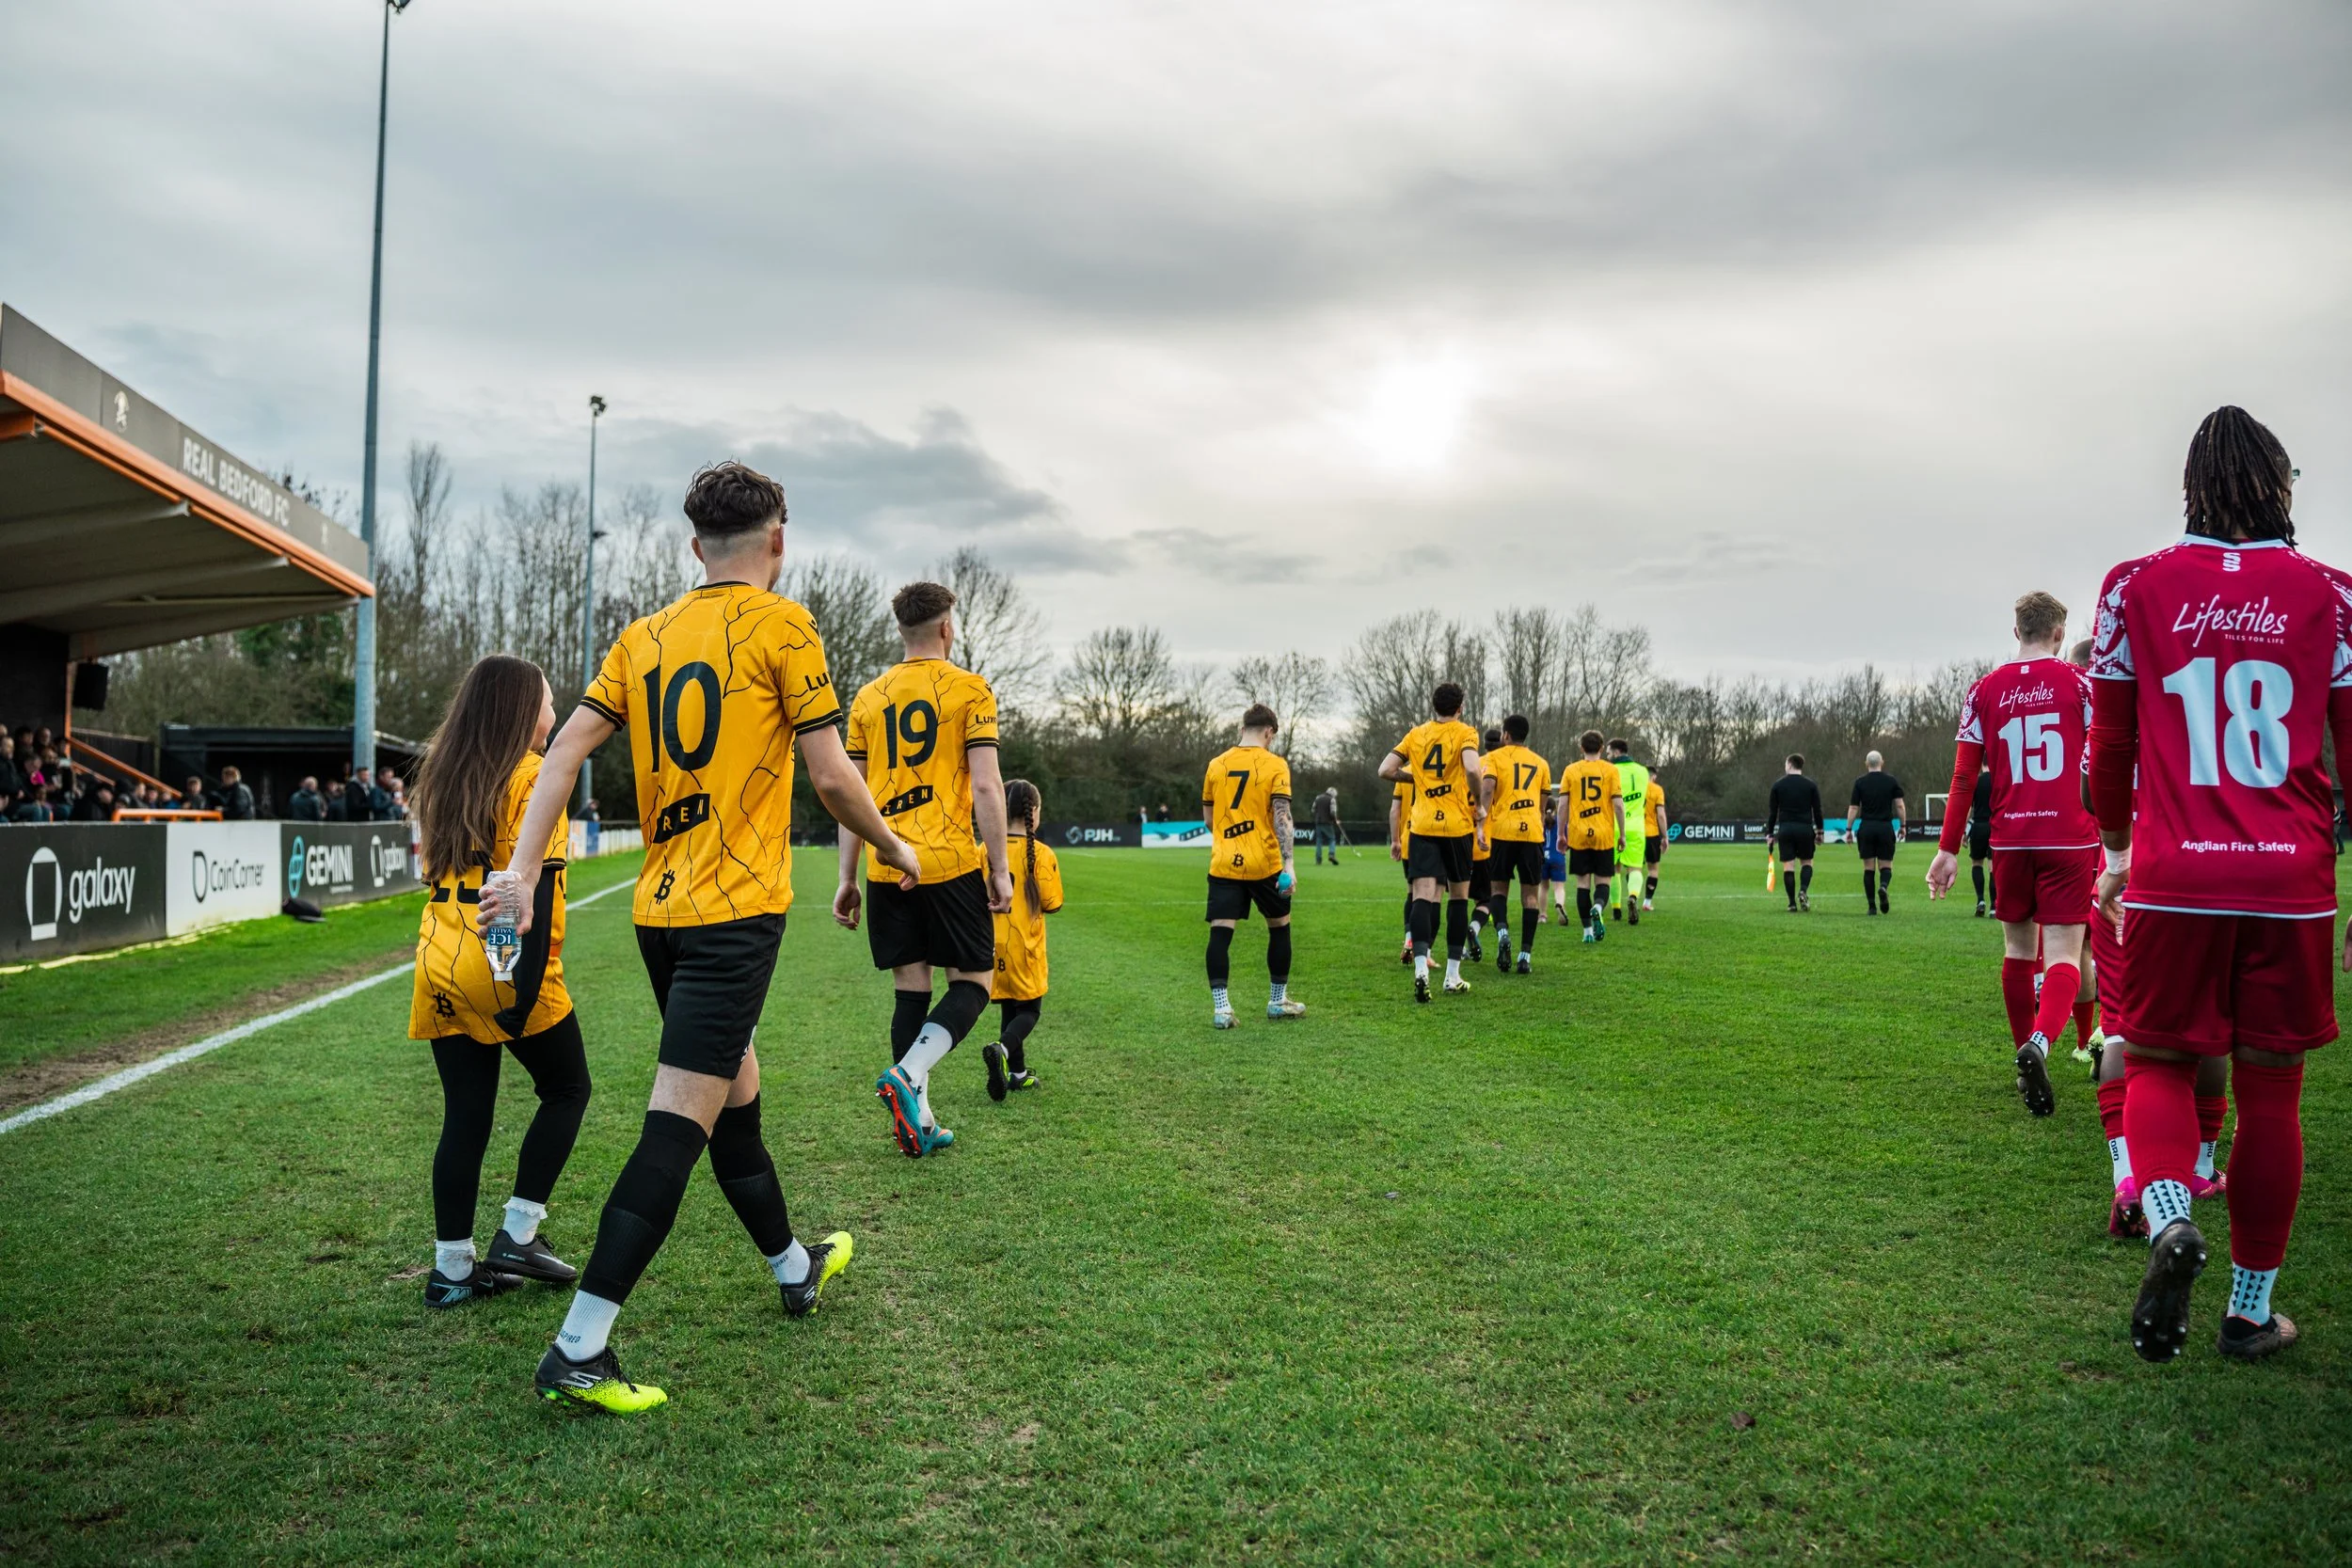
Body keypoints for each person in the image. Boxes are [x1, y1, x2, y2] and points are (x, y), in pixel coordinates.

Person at [485, 459, 921, 1414]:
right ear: (779, 539)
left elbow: (561, 753)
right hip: (732, 916)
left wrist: (518, 869)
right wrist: (895, 846)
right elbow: (832, 776)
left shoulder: (642, 635)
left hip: (661, 914)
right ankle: (579, 1346)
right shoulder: (785, 624)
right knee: (677, 1126)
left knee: (736, 1103)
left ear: (695, 545)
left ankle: (794, 1265)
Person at [2085, 406, 2344, 1365]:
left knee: (2154, 1060)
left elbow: (2109, 747)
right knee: (2272, 1093)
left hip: (2174, 871)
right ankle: (2249, 1311)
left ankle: (2166, 1218)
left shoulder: (2133, 585)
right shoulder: (2334, 594)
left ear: (2191, 486)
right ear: (2278, 484)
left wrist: (2117, 849)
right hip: (2292, 880)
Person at [406, 656, 593, 1309]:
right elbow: (525, 896)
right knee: (568, 1088)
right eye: (547, 701)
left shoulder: (443, 774)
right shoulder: (535, 777)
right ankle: (518, 1233)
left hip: (438, 957)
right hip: (499, 958)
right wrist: (519, 984)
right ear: (520, 711)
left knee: (466, 1115)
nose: (554, 712)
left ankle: (451, 1272)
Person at [842, 579, 1014, 1158]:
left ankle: (919, 1120)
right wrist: (1000, 867)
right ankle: (909, 1074)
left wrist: (846, 877)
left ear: (901, 629)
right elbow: (987, 785)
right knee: (974, 983)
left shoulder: (868, 698)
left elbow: (851, 797)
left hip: (885, 863)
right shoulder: (970, 689)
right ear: (946, 627)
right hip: (947, 861)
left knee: (909, 988)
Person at [1927, 592, 2094, 1121]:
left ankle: (2024, 1060)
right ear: (2060, 633)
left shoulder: (1982, 690)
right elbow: (2110, 760)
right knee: (2064, 955)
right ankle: (2039, 1044)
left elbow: (1963, 777)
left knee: (2019, 951)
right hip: (2069, 836)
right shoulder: (2082, 684)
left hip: (2011, 838)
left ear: (2016, 631)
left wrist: (1947, 849)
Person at [1377, 682, 1486, 1000]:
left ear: (1433, 706)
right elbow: (1472, 768)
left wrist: (1416, 778)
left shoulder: (1416, 734)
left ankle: (1421, 970)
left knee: (1422, 898)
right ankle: (1452, 976)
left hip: (1422, 826)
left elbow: (1385, 770)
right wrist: (1478, 804)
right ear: (1460, 708)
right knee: (1458, 898)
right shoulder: (1466, 733)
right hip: (1456, 826)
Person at [1202, 704, 1305, 1026]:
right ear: (1269, 732)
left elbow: (1209, 820)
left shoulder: (1216, 765)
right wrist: (1289, 864)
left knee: (1220, 933)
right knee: (1280, 927)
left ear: (1242, 728)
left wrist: (1231, 840)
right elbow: (1282, 817)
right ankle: (1277, 1001)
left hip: (1224, 862)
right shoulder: (1275, 764)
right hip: (1264, 861)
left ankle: (1222, 1009)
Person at [987, 779, 1061, 1097]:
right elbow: (1053, 903)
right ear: (1035, 812)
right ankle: (1002, 1049)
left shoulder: (984, 850)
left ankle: (1017, 1074)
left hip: (993, 946)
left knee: (1009, 1007)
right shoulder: (1041, 854)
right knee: (1029, 1010)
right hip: (1026, 946)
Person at [1478, 714, 1551, 974]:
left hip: (1503, 830)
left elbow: (1488, 789)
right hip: (1531, 832)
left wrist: (1481, 822)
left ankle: (1502, 932)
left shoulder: (1495, 758)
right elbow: (1543, 804)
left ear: (1506, 735)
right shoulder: (1541, 763)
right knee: (1530, 896)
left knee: (1498, 889)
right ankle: (1525, 956)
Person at [1555, 730, 1624, 943]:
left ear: (1581, 748)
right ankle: (1598, 907)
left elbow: (1562, 805)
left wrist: (1560, 833)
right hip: (1603, 834)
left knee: (1582, 884)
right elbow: (1618, 805)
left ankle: (1587, 931)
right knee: (1603, 881)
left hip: (1579, 834)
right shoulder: (1611, 770)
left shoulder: (1571, 770)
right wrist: (1622, 834)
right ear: (1602, 748)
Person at [1848, 752, 1905, 914]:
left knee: (1868, 868)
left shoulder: (1860, 782)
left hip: (1866, 827)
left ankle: (1872, 907)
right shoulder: (1891, 781)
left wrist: (1848, 829)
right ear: (1882, 762)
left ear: (1866, 764)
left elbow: (1854, 807)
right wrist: (1903, 825)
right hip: (1885, 827)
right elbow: (1900, 805)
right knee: (1886, 865)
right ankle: (1883, 886)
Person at [1766, 755, 1823, 911]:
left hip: (1786, 829)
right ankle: (1803, 890)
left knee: (1788, 866)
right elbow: (1817, 811)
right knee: (1807, 862)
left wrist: (1770, 833)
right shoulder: (1811, 785)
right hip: (1805, 828)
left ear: (1790, 765)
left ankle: (1791, 903)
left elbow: (1773, 813)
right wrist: (1820, 831)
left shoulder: (1778, 785)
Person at [1465, 727, 1502, 959]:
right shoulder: (1500, 766)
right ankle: (1474, 927)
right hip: (1486, 845)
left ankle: (1460, 949)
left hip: (1460, 842)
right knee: (1487, 899)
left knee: (1459, 898)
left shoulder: (1472, 765)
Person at [1605, 739, 1649, 926]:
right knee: (1635, 868)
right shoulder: (1643, 771)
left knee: (1614, 868)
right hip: (1637, 827)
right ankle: (1633, 896)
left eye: (1608, 753)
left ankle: (1616, 909)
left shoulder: (1610, 771)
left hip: (1614, 826)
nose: (1607, 756)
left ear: (1616, 753)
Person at [1390, 778, 1416, 965]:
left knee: (1412, 892)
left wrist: (1395, 840)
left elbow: (1394, 811)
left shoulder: (1402, 774)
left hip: (1408, 840)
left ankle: (1409, 937)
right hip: (1432, 836)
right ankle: (1425, 950)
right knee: (1432, 896)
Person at [1963, 761, 1994, 915]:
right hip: (1995, 827)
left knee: (1977, 863)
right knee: (1993, 866)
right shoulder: (1998, 780)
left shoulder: (1975, 782)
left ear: (1981, 763)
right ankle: (1994, 907)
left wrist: (1964, 832)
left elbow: (1968, 809)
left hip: (1978, 826)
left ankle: (1980, 901)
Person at [1641, 771, 1666, 910]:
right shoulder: (1657, 789)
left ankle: (1632, 897)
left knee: (1634, 869)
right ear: (1654, 776)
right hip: (1651, 834)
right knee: (1653, 869)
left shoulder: (1636, 787)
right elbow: (1660, 815)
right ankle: (1647, 902)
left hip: (1635, 833)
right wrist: (1665, 836)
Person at [1311, 785, 1339, 864]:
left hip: (1318, 822)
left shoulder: (1318, 798)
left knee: (1319, 841)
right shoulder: (1332, 800)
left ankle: (1318, 860)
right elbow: (1333, 812)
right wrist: (1335, 820)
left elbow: (1313, 810)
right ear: (1333, 794)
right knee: (1332, 839)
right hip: (1327, 823)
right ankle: (1331, 854)